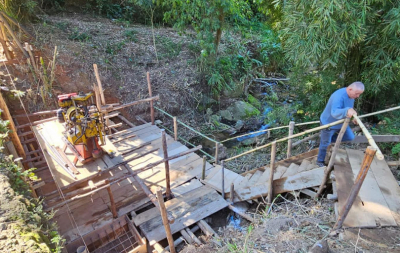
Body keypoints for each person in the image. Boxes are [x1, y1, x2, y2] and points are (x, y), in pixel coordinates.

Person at [316, 81, 365, 167]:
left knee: (350, 137)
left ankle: (326, 140)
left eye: (359, 94)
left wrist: (352, 118)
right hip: (329, 123)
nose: (358, 96)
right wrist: (347, 111)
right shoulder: (339, 96)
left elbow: (350, 109)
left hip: (341, 123)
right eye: (357, 94)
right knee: (325, 144)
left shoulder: (351, 95)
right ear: (350, 89)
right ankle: (320, 161)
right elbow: (334, 112)